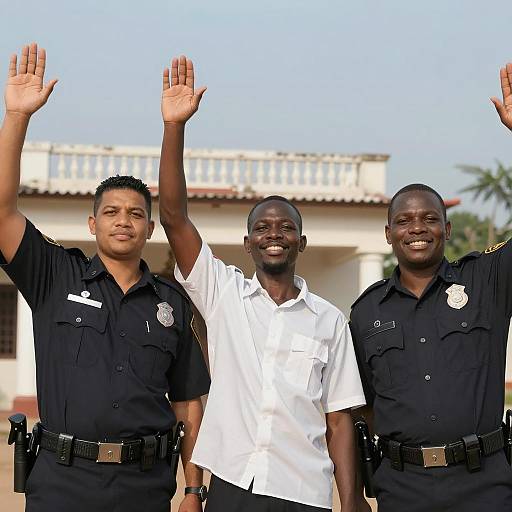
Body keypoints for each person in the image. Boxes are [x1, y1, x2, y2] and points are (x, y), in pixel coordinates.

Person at [0, 43, 210, 512]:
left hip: (145, 486)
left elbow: (188, 406)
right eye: (111, 212)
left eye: (136, 213)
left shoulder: (171, 304)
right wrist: (16, 117)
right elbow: (2, 211)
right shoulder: (54, 274)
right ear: (92, 224)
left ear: (149, 228)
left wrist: (193, 490)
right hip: (62, 484)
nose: (123, 220)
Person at [157, 55, 367, 512]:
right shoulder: (223, 294)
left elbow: (339, 417)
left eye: (286, 227)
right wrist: (175, 127)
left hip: (302, 491)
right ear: (247, 243)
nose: (275, 233)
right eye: (263, 228)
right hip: (232, 485)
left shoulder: (329, 320)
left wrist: (351, 499)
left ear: (302, 242)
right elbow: (173, 218)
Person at [350, 64, 512, 511]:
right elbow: (358, 409)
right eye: (403, 220)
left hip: (486, 485)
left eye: (429, 219)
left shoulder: (487, 281)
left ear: (447, 228)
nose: (416, 228)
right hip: (403, 488)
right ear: (388, 234)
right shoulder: (365, 313)